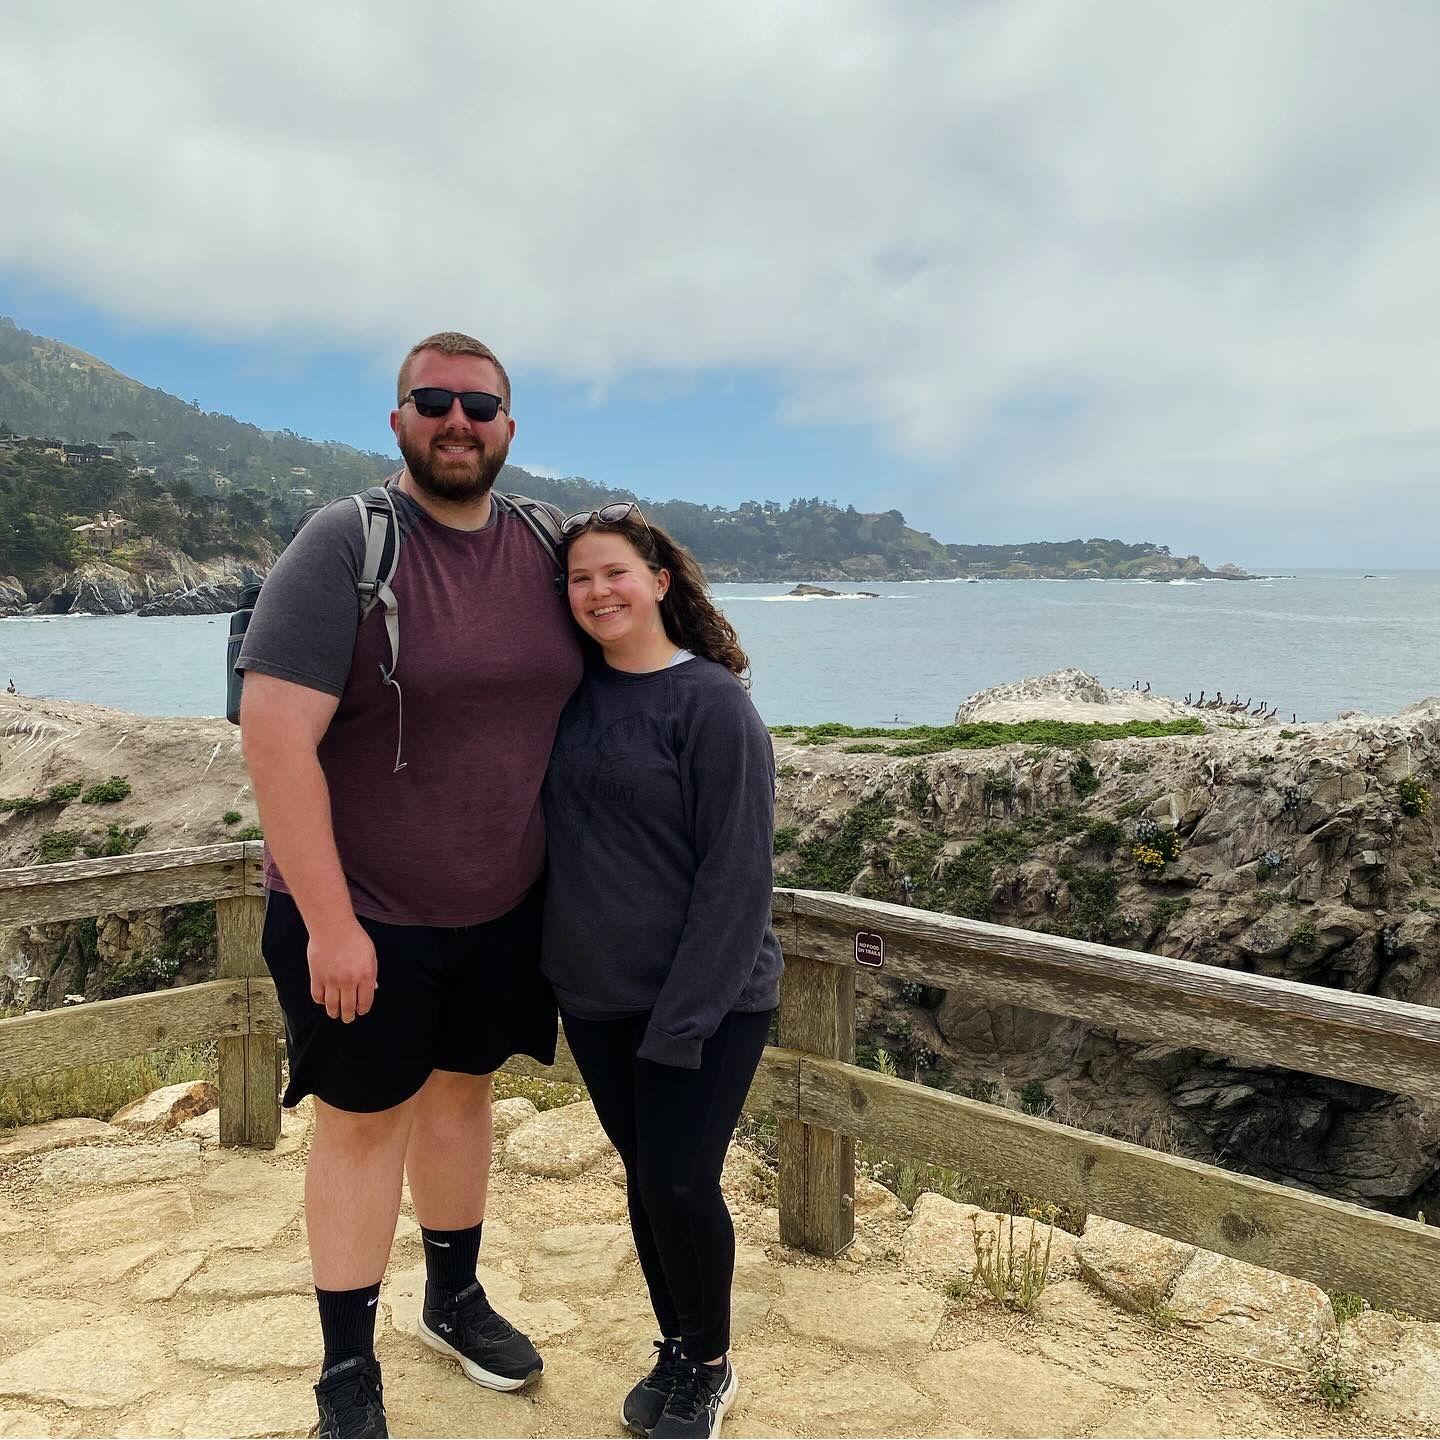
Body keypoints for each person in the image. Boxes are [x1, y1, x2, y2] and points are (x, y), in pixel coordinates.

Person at [236, 332, 582, 1438]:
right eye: (432, 401)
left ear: (509, 428)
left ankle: (453, 1298)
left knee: (463, 1096)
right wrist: (332, 927)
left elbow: (629, 655)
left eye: (479, 406)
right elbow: (275, 742)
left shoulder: (543, 543)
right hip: (363, 916)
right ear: (397, 420)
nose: (457, 420)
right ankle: (345, 1368)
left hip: (499, 906)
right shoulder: (344, 544)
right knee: (361, 1124)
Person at [541, 504, 782, 1440]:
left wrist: (682, 1021)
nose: (598, 592)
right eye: (579, 579)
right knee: (648, 1180)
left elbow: (737, 875)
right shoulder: (572, 696)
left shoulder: (711, 702)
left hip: (706, 1002)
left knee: (684, 1183)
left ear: (660, 582)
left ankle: (712, 1364)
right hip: (598, 997)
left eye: (615, 573)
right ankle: (677, 1342)